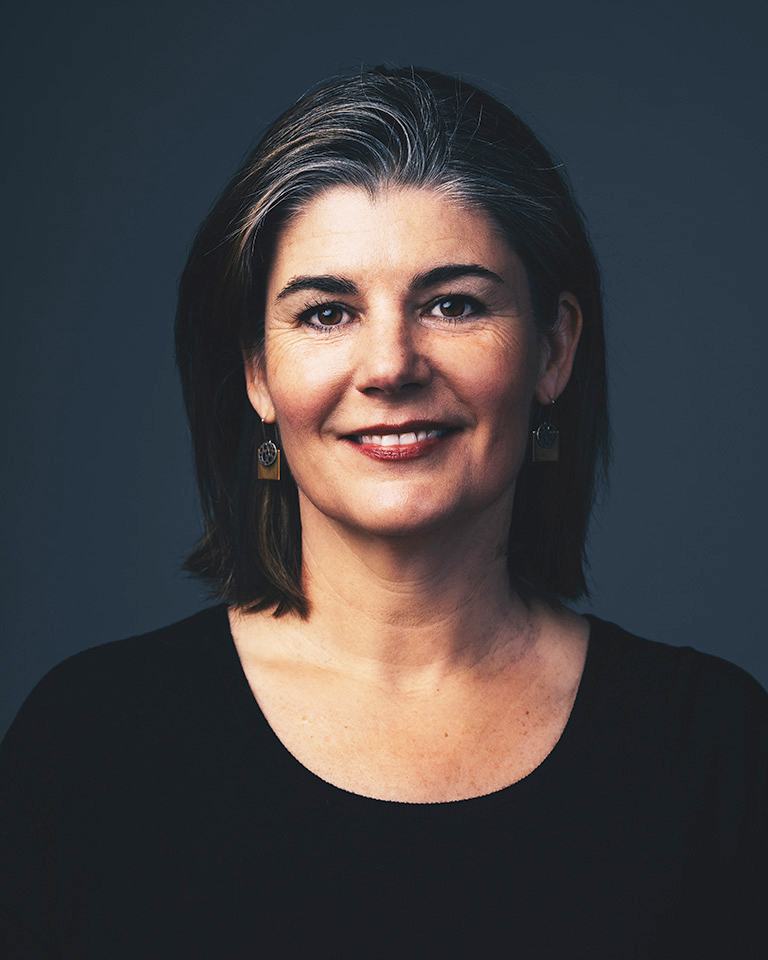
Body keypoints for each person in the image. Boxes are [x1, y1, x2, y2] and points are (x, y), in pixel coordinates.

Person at [1, 66, 765, 958]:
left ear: (553, 350)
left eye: (452, 304)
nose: (390, 365)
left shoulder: (716, 750)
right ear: (256, 372)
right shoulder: (89, 745)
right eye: (327, 314)